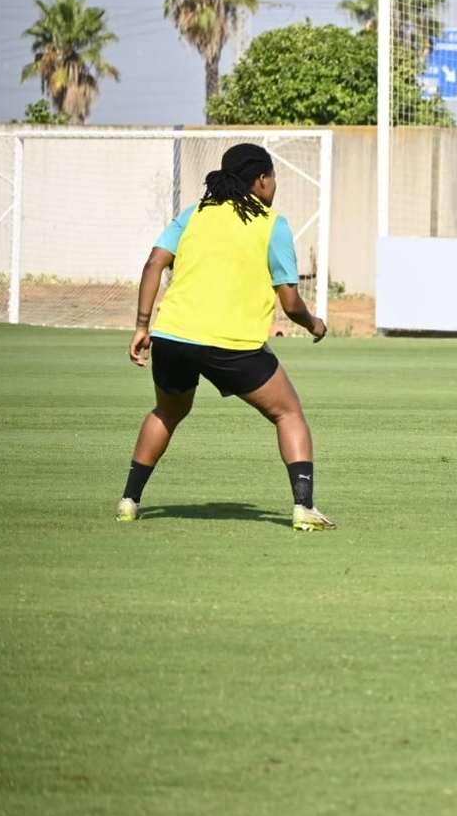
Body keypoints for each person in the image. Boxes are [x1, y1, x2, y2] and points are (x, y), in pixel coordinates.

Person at [118, 143, 333, 531]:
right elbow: (289, 300)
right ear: (263, 180)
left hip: (172, 337)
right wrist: (314, 324)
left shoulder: (194, 214)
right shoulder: (272, 223)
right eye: (273, 177)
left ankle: (129, 500)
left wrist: (141, 326)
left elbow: (154, 264)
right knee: (288, 413)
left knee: (167, 411)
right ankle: (304, 508)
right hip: (233, 346)